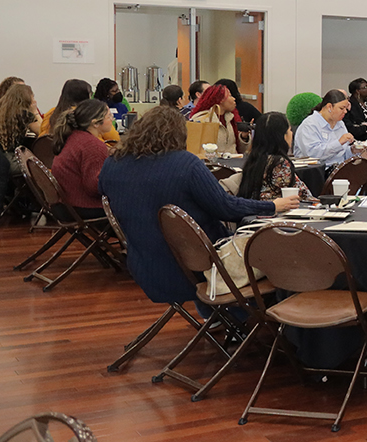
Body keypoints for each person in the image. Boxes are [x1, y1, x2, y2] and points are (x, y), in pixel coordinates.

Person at [98, 107, 295, 308]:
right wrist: (271, 206)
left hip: (144, 264)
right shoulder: (184, 164)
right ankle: (256, 319)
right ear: (179, 134)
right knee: (278, 253)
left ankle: (220, 317)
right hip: (202, 266)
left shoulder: (112, 164)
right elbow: (225, 208)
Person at [49, 99, 115, 220]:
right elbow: (94, 188)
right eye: (109, 116)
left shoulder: (74, 137)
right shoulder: (93, 145)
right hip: (85, 207)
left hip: (67, 204)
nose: (113, 119)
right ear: (95, 123)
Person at [237, 112, 302, 202]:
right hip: (276, 212)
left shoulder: (253, 159)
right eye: (290, 130)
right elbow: (301, 195)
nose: (292, 134)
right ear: (283, 136)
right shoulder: (280, 164)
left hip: (252, 210)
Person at [0, 82, 40, 171]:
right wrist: (34, 110)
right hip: (10, 160)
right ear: (27, 98)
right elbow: (42, 131)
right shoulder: (23, 114)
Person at [294, 89, 358, 167]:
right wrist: (339, 143)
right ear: (329, 107)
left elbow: (341, 155)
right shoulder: (310, 125)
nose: (345, 111)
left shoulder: (340, 123)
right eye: (342, 108)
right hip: (317, 172)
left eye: (346, 108)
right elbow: (312, 155)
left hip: (339, 168)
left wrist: (352, 151)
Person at [188, 83, 247, 155]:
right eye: (230, 96)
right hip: (212, 163)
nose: (234, 99)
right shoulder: (202, 119)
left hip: (233, 163)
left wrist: (243, 137)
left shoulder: (231, 118)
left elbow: (239, 149)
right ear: (220, 100)